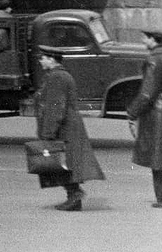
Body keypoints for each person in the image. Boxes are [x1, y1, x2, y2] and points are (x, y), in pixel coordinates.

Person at [35, 49, 104, 210]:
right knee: (66, 162)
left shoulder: (56, 77)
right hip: (68, 125)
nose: (40, 62)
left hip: (64, 127)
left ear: (52, 60)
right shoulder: (60, 75)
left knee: (64, 162)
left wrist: (48, 133)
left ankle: (75, 195)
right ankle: (73, 197)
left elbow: (56, 106)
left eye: (43, 58)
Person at [126, 28, 162, 208]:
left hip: (157, 112)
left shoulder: (153, 60)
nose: (143, 42)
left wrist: (132, 112)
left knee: (159, 155)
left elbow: (147, 93)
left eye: (144, 38)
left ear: (152, 39)